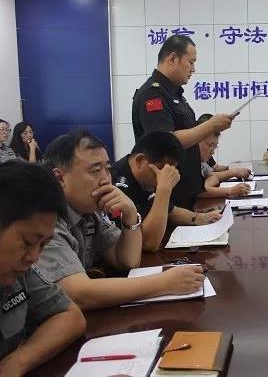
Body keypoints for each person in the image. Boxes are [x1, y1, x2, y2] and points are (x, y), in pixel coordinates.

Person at [34, 130, 204, 310]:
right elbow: (79, 294)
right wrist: (163, 283)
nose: (106, 179)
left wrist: (130, 214)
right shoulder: (43, 219)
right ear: (60, 178)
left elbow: (127, 261)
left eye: (107, 169)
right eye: (96, 170)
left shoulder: (90, 211)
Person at [0, 161, 85, 377]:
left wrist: (17, 362)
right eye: (28, 241)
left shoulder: (17, 271)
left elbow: (70, 316)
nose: (34, 257)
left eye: (43, 244)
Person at [132, 35, 234, 210]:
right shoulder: (153, 94)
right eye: (191, 62)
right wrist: (211, 125)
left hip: (187, 191)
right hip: (171, 194)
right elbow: (165, 141)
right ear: (173, 59)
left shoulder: (174, 94)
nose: (193, 69)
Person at [111, 131, 223, 253]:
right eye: (161, 169)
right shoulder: (117, 186)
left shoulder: (145, 177)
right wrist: (164, 189)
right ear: (140, 160)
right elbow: (148, 243)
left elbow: (171, 210)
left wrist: (199, 218)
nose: (163, 176)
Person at [196, 115, 251, 199]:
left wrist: (206, 185)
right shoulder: (188, 161)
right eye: (210, 145)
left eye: (215, 146)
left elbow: (213, 177)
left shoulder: (202, 163)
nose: (213, 152)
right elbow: (199, 192)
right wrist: (231, 190)